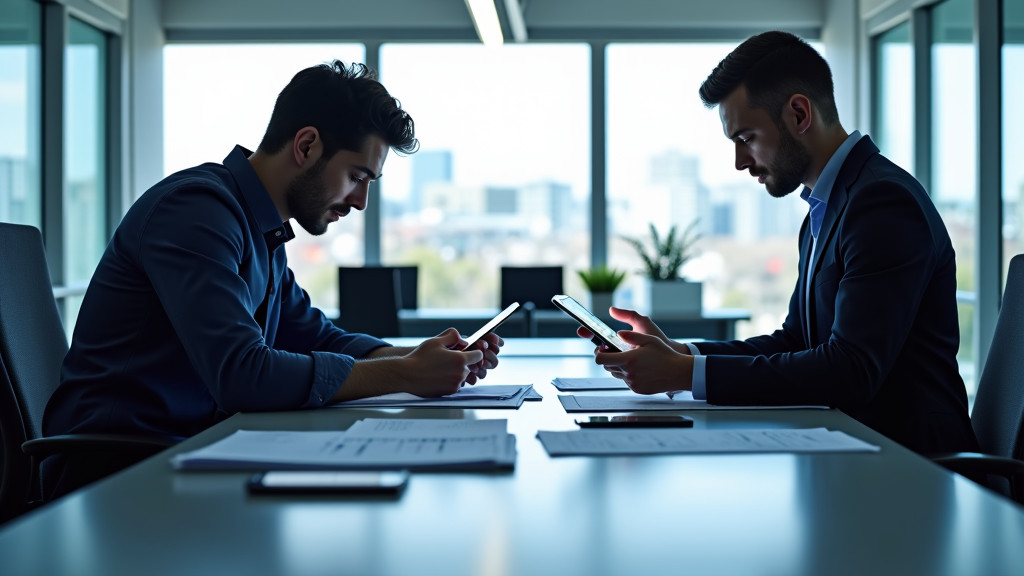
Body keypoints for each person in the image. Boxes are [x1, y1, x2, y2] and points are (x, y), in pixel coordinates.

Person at [42, 61, 503, 498]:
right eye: (356, 176)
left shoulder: (260, 230)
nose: (361, 201)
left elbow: (314, 335)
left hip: (188, 454)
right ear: (306, 146)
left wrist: (425, 356)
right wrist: (404, 374)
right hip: (117, 475)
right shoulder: (196, 212)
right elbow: (243, 374)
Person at [579, 31, 978, 455]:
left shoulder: (882, 202)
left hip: (914, 469)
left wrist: (685, 374)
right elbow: (795, 341)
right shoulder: (826, 210)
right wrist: (681, 353)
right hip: (851, 455)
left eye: (747, 138)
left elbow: (852, 370)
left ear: (799, 113)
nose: (740, 162)